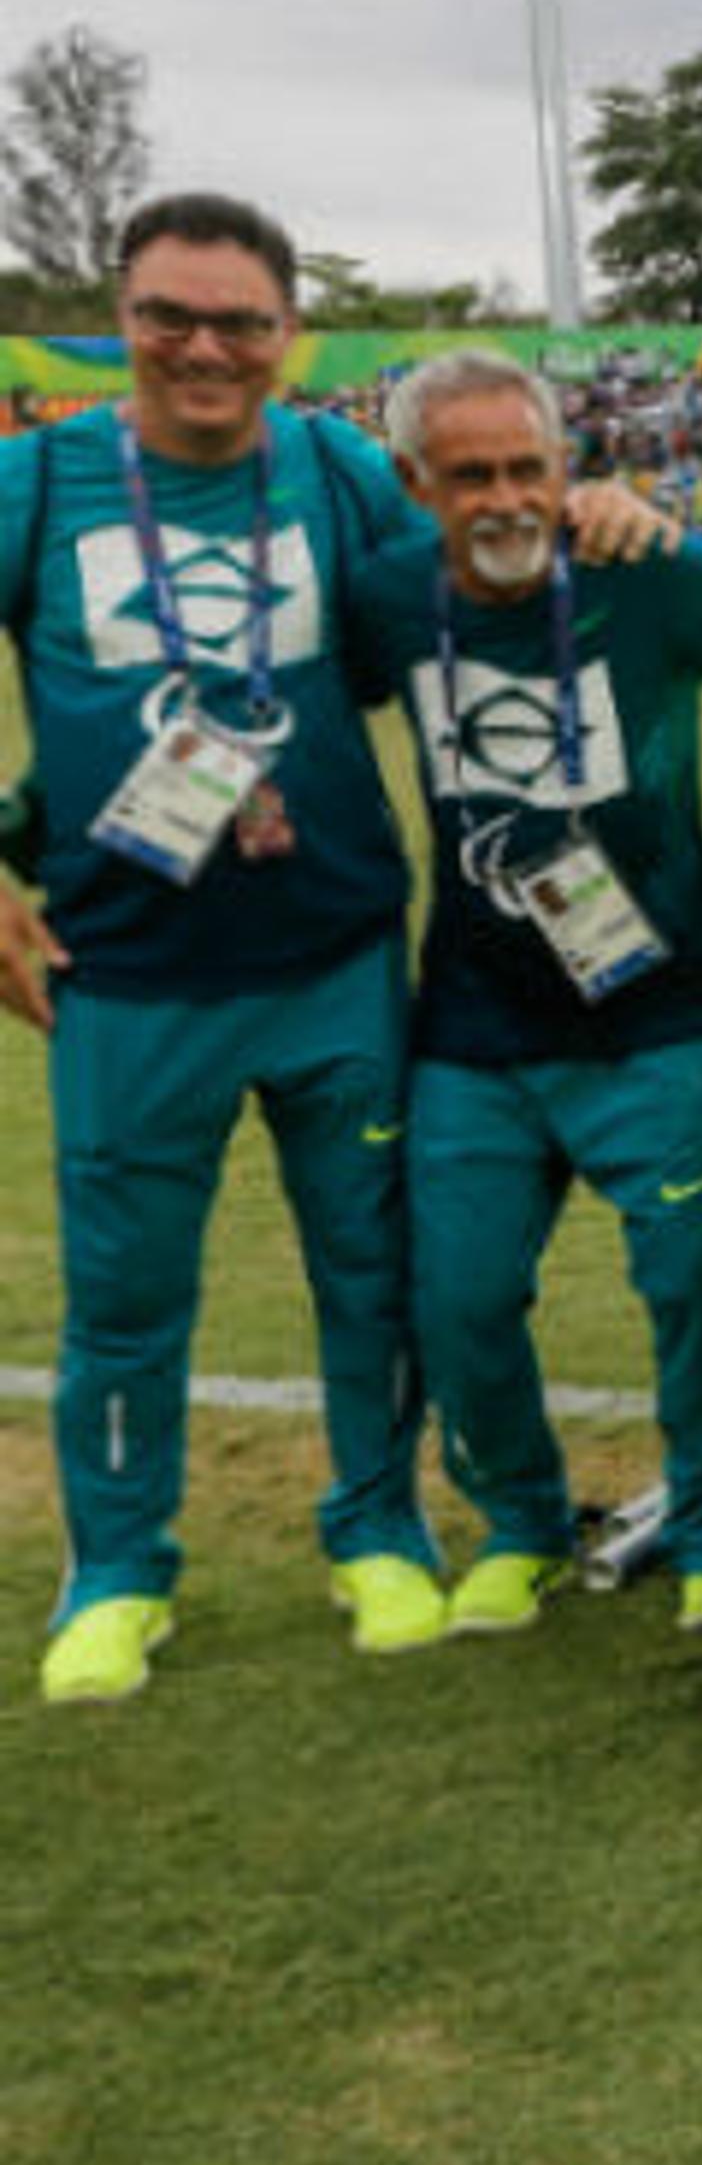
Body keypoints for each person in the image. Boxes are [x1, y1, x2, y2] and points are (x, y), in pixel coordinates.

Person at [0, 192, 453, 1694]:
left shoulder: (332, 465)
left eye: (241, 321)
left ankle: (380, 1528)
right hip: (124, 978)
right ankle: (120, 1570)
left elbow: (459, 616)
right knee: (128, 1298)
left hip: (332, 957)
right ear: (119, 323)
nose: (206, 347)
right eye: (169, 317)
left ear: (286, 334)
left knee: (370, 1268)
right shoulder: (42, 476)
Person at [359, 348, 702, 1635]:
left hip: (665, 1018)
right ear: (412, 481)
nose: (504, 499)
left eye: (528, 469)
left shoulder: (643, 574)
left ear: (569, 468)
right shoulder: (384, 595)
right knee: (461, 1294)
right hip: (476, 1031)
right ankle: (522, 1523)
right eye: (470, 474)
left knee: (695, 1296)